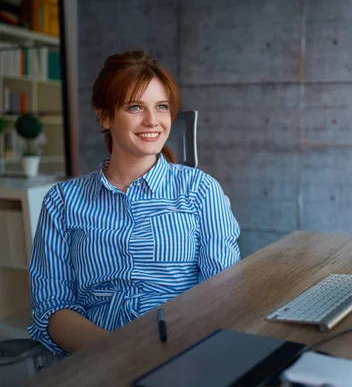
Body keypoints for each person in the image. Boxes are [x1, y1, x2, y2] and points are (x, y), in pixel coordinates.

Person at [27, 50, 241, 355]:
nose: (152, 121)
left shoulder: (200, 191)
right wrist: (119, 354)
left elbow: (220, 295)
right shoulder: (62, 201)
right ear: (105, 116)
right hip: (94, 357)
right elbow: (52, 306)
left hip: (182, 353)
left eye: (162, 107)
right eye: (135, 107)